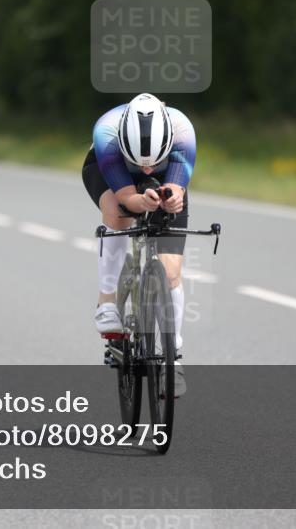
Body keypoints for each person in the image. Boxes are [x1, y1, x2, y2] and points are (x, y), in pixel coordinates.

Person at [82, 93, 196, 397]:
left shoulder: (183, 131)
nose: (147, 170)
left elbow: (176, 187)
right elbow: (126, 198)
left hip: (167, 170)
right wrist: (137, 200)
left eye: (152, 164)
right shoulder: (106, 132)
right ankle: (107, 300)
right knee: (119, 217)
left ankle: (173, 357)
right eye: (140, 163)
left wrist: (172, 199)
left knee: (171, 274)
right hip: (109, 169)